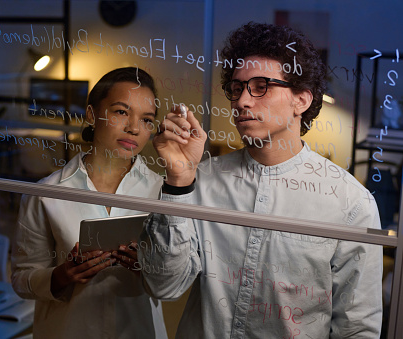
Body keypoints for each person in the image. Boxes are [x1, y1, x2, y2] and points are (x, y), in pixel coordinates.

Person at [139, 22, 383, 338]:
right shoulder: (199, 179)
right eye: (237, 88)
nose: (241, 102)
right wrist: (178, 180)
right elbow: (165, 286)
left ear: (302, 100)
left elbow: (356, 328)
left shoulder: (350, 203)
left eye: (261, 86)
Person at [11, 67, 167, 338]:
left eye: (147, 120)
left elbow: (176, 280)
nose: (133, 128)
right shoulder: (47, 193)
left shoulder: (163, 194)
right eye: (121, 112)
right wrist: (62, 276)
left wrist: (149, 267)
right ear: (92, 114)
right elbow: (22, 279)